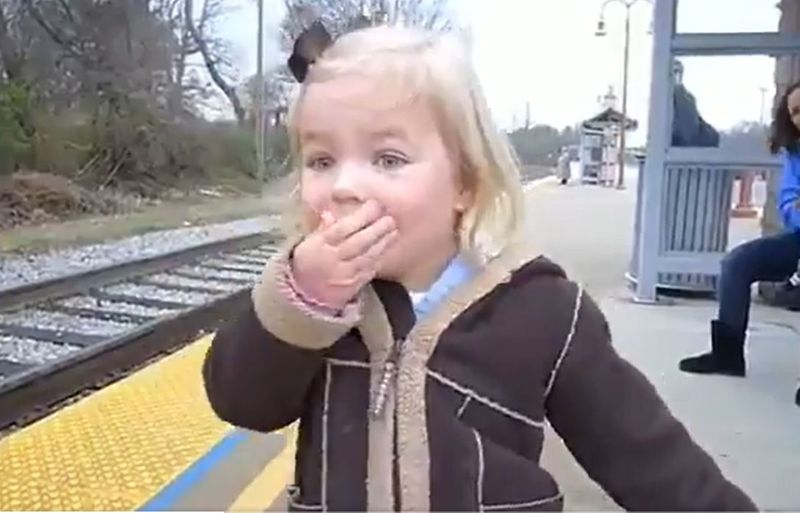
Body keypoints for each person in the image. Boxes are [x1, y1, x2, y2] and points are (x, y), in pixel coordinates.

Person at [203, 24, 756, 511]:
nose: (345, 186)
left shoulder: (544, 310)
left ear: (465, 184)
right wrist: (304, 302)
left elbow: (649, 457)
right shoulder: (305, 304)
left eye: (388, 159)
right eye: (322, 160)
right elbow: (241, 401)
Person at [680, 80, 800, 408]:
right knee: (737, 263)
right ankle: (728, 355)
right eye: (795, 112)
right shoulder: (795, 153)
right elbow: (790, 205)